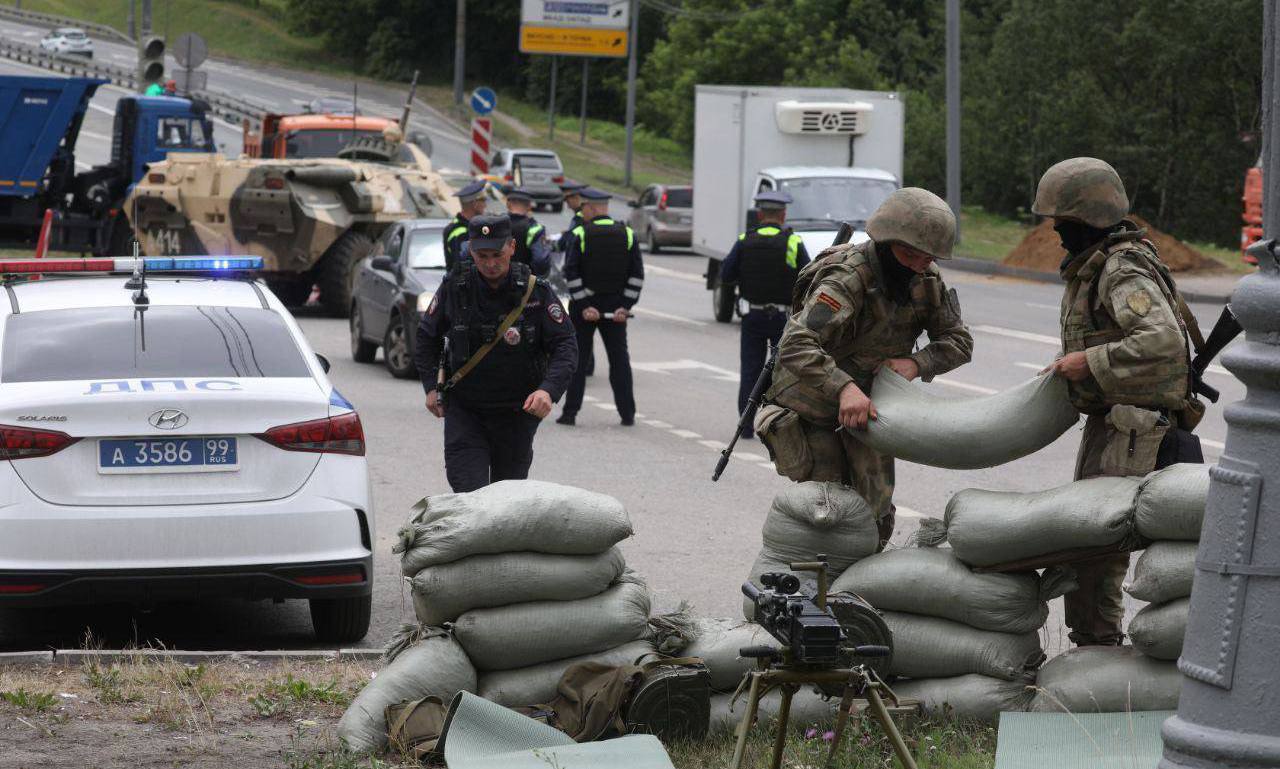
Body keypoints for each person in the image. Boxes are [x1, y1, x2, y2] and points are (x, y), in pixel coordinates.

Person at [1033, 156, 1201, 647]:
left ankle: (1100, 644)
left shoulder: (1121, 267)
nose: (1058, 232)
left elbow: (1162, 341)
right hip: (1119, 424)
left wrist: (1089, 361)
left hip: (1134, 431)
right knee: (1090, 541)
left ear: (1086, 218)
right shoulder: (1102, 262)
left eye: (1063, 222)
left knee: (1099, 544)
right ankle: (1095, 640)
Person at [757, 187, 973, 549]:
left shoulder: (926, 281)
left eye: (928, 258)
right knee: (828, 512)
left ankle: (856, 594)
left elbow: (959, 342)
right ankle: (813, 595)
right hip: (815, 407)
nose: (920, 265)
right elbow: (796, 344)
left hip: (870, 409)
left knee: (876, 513)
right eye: (911, 256)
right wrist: (843, 388)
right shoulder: (847, 279)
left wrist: (916, 363)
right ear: (887, 244)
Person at [414, 214, 577, 492]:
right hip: (466, 411)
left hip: (516, 414)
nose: (490, 264)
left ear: (512, 247)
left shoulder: (535, 292)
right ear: (471, 250)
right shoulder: (456, 286)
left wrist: (548, 391)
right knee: (470, 495)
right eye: (482, 255)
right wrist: (431, 387)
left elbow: (566, 345)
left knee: (506, 502)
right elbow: (426, 336)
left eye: (497, 254)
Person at [720, 190, 811, 438]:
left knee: (750, 370)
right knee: (782, 372)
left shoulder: (744, 240)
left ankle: (746, 427)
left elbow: (726, 276)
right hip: (782, 319)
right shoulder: (793, 242)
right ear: (783, 214)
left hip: (752, 317)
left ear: (760, 214)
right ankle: (778, 425)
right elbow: (809, 277)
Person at [557, 187, 643, 426]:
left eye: (583, 207)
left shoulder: (581, 234)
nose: (582, 211)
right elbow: (636, 276)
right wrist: (625, 306)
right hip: (616, 311)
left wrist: (584, 305)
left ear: (592, 208)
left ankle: (569, 414)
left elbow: (570, 273)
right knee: (619, 361)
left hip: (585, 310)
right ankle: (628, 414)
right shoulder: (627, 234)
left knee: (578, 361)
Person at [503, 186, 551, 276]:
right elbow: (540, 260)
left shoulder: (497, 223)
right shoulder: (535, 228)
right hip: (523, 281)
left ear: (508, 204)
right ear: (529, 206)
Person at [444, 180, 488, 273]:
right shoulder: (460, 232)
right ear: (475, 204)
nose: (485, 205)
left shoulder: (470, 227)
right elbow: (463, 265)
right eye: (483, 201)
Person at [556, 180, 588, 254]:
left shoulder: (580, 217)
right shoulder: (584, 215)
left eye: (568, 201)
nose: (568, 207)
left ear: (576, 198)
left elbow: (570, 240)